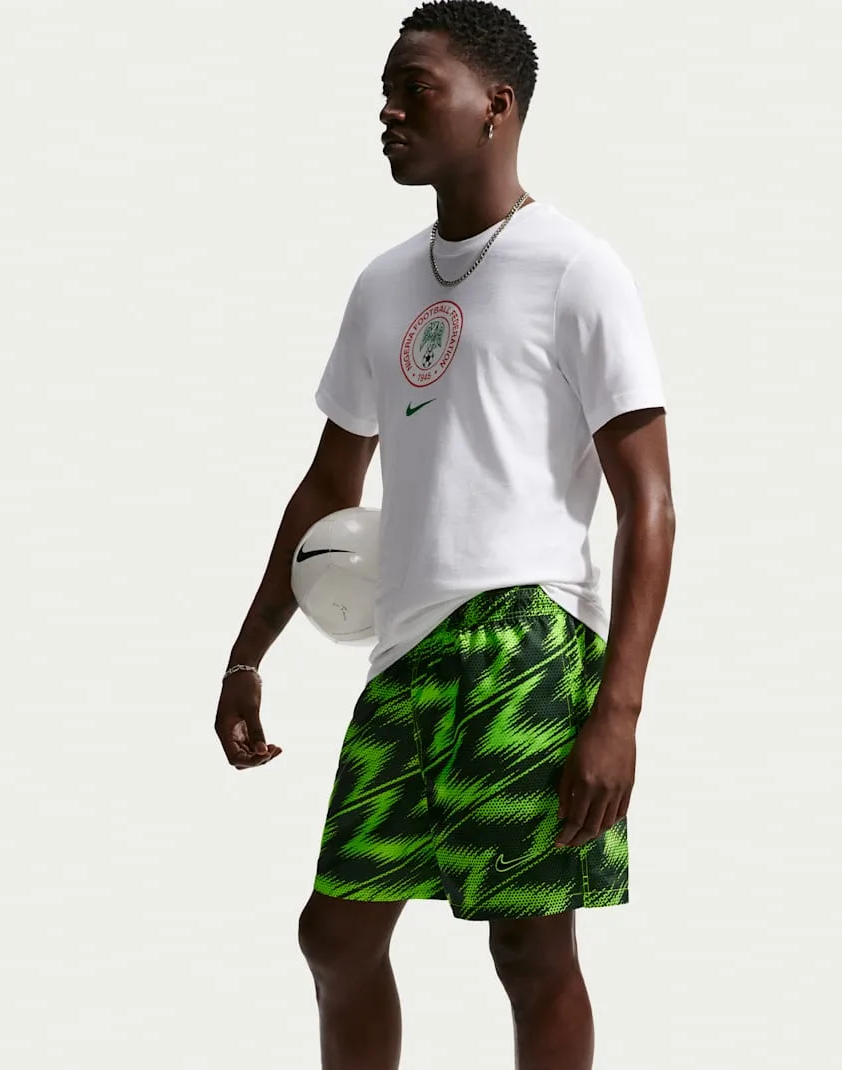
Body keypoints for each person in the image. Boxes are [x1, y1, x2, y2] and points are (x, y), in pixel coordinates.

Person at [213, 3, 676, 1067]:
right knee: (335, 934)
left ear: (495, 106)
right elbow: (329, 483)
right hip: (404, 655)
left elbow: (649, 502)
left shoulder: (576, 269)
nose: (389, 111)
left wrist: (618, 709)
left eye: (414, 88)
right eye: (385, 91)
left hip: (527, 644)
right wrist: (247, 653)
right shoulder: (383, 284)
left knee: (528, 947)